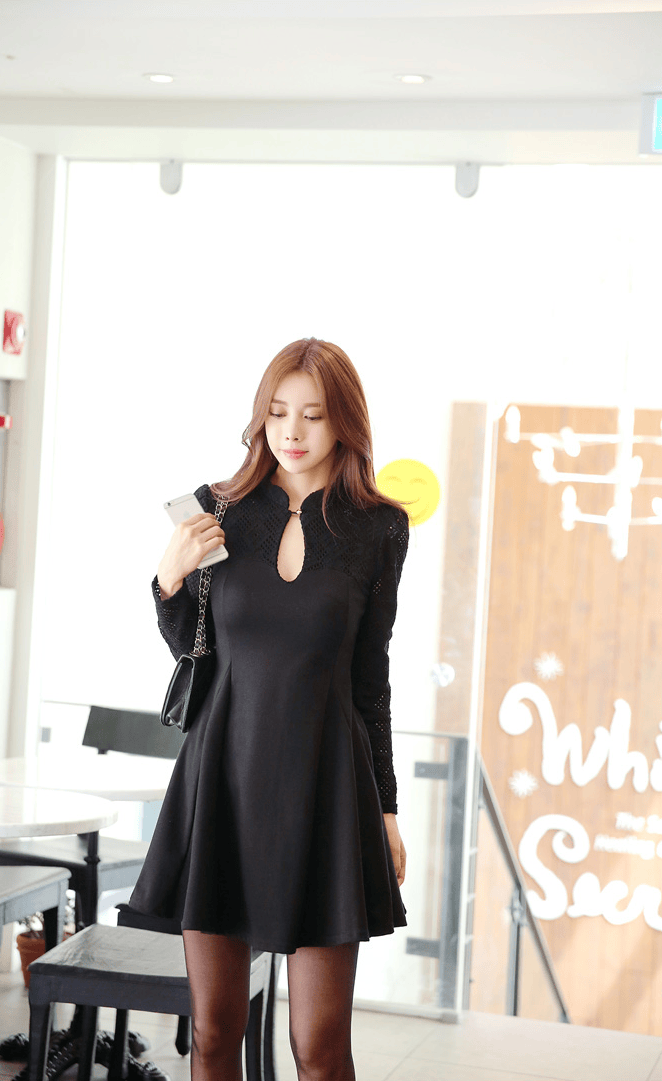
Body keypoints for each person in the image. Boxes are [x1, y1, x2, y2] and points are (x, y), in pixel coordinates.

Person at [123, 337, 409, 1081]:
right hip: (223, 781)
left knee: (320, 1051)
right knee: (214, 1034)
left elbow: (371, 677)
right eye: (278, 412)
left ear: (344, 422)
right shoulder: (217, 509)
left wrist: (385, 808)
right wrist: (166, 582)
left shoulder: (378, 527)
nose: (292, 431)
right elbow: (197, 652)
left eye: (313, 414)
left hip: (326, 789)